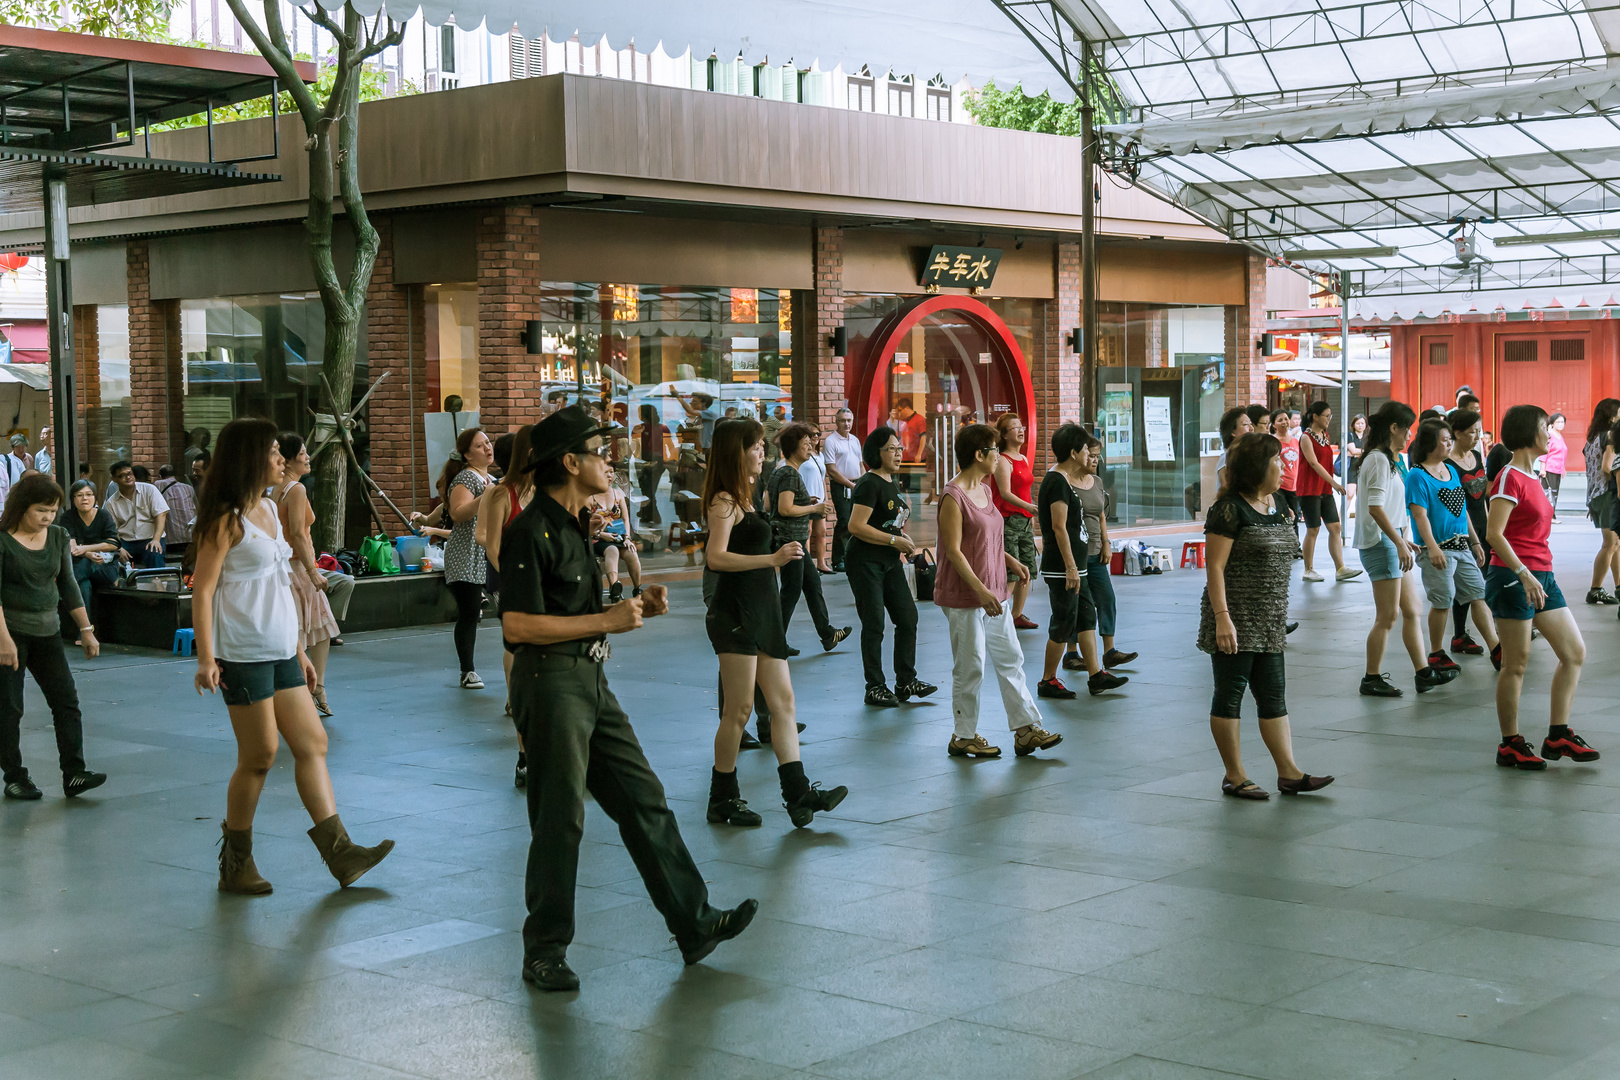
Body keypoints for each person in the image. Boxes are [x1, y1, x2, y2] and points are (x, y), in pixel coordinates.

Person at [500, 408, 757, 991]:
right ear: (569, 462)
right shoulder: (529, 530)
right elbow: (517, 625)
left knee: (645, 799)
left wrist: (636, 603)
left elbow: (586, 614)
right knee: (560, 818)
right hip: (550, 684)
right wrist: (607, 619)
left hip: (590, 681)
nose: (608, 460)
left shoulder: (577, 525)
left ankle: (694, 924)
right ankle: (544, 950)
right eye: (598, 450)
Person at [190, 419, 393, 895]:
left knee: (313, 744)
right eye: (275, 451)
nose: (282, 459)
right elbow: (202, 592)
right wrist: (206, 658)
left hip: (281, 647)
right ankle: (235, 863)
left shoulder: (266, 507)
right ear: (250, 457)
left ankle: (342, 854)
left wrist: (300, 649)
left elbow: (280, 582)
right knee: (260, 755)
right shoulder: (225, 519)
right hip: (241, 653)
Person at [702, 416, 848, 829]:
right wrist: (772, 558)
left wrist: (780, 549)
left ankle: (798, 794)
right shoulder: (724, 501)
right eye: (754, 446)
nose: (761, 451)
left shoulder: (747, 499)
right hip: (736, 612)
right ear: (736, 451)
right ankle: (722, 798)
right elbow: (716, 557)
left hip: (761, 609)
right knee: (739, 710)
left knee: (783, 703)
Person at [1200, 433, 1332, 800]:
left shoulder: (1276, 505)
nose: (1283, 467)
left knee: (1274, 697)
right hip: (1235, 616)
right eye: (1276, 462)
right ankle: (1234, 775)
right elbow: (1214, 568)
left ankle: (1289, 772)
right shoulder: (1229, 509)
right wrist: (1222, 617)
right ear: (1257, 468)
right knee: (1230, 695)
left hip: (1270, 618)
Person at [1486, 404, 1599, 771]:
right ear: (1526, 433)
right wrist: (1522, 572)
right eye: (1543, 427)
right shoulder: (1509, 477)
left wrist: (1535, 573)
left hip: (1542, 575)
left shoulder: (1534, 476)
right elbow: (1493, 534)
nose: (1549, 433)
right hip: (1512, 577)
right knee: (1515, 665)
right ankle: (1510, 745)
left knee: (1574, 652)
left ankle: (1558, 735)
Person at [934, 423, 1057, 758]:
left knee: (1010, 658)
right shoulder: (952, 496)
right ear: (979, 455)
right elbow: (954, 550)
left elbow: (988, 539)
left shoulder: (987, 491)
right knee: (970, 664)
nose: (998, 455)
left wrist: (1011, 561)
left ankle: (1025, 729)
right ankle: (963, 735)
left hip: (995, 591)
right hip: (966, 596)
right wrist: (981, 591)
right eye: (993, 449)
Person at [0, 475, 104, 802]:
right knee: (9, 708)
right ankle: (15, 776)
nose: (47, 517)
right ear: (21, 508)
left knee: (66, 702)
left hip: (48, 631)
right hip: (9, 632)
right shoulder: (3, 541)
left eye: (53, 510)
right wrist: (4, 641)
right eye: (41, 510)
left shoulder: (58, 536)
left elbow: (68, 586)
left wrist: (86, 631)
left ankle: (74, 773)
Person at [1354, 402, 1459, 697]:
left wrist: (1403, 537)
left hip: (1392, 541)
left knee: (1412, 609)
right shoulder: (1377, 460)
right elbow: (1375, 509)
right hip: (1380, 544)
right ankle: (1371, 677)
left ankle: (1423, 673)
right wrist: (1398, 541)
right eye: (1407, 428)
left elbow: (1388, 507)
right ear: (1393, 428)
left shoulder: (1390, 460)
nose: (1410, 434)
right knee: (1387, 616)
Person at [845, 426, 936, 707]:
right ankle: (874, 686)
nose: (898, 454)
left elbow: (887, 521)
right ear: (877, 452)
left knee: (908, 618)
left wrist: (900, 537)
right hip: (865, 561)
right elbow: (856, 526)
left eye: (899, 448)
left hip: (888, 561)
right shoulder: (868, 483)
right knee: (874, 624)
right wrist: (894, 540)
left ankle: (906, 681)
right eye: (892, 449)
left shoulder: (890, 481)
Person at [1036, 425, 1129, 699]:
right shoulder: (1056, 481)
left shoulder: (1067, 479)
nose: (1090, 453)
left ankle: (1096, 675)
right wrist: (1070, 567)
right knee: (1064, 622)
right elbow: (1058, 527)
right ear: (1074, 452)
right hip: (1062, 567)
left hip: (1079, 563)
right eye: (1086, 449)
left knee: (1087, 617)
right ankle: (1047, 680)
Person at [1406, 418, 1499, 675]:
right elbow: (1419, 515)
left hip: (1462, 546)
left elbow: (1463, 511)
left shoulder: (1450, 470)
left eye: (1450, 439)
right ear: (1429, 443)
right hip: (1439, 548)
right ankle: (1436, 653)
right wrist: (1432, 547)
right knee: (1442, 600)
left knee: (1478, 594)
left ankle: (1495, 648)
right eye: (1444, 440)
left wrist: (1475, 540)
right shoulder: (1417, 475)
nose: (1449, 444)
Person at [415, 428, 494, 689]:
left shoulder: (489, 479)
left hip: (486, 552)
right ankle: (467, 671)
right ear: (467, 454)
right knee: (470, 612)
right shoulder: (467, 478)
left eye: (488, 443)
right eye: (481, 445)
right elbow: (458, 512)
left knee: (485, 609)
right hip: (465, 554)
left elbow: (445, 506)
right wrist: (487, 498)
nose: (487, 448)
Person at [271, 434, 340, 718]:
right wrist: (313, 572)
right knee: (315, 627)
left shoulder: (272, 490)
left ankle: (308, 689)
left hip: (282, 566)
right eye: (302, 453)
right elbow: (298, 533)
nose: (307, 457)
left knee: (301, 630)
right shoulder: (295, 489)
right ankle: (315, 686)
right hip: (297, 567)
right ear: (287, 460)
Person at [770, 422, 850, 653]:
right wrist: (813, 509)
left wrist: (806, 502)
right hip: (791, 540)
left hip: (793, 540)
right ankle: (775, 641)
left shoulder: (782, 471)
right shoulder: (790, 474)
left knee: (812, 585)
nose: (810, 448)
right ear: (794, 447)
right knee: (791, 591)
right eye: (806, 444)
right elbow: (784, 509)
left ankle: (827, 634)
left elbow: (772, 505)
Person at [1067, 429, 1137, 671]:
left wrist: (1107, 542)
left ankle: (1110, 650)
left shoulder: (1096, 482)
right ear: (1078, 455)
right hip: (1077, 554)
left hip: (1096, 551)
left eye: (1098, 456)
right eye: (1091, 455)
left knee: (1106, 597)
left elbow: (1101, 515)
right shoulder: (1065, 483)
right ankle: (1071, 651)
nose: (1095, 460)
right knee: (1078, 604)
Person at [1447, 408, 1495, 656]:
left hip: (1481, 523)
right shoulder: (1447, 463)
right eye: (1472, 432)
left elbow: (1482, 498)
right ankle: (1459, 634)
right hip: (1461, 528)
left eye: (1479, 431)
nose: (1477, 436)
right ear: (1456, 433)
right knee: (1465, 582)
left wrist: (1489, 528)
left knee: (1480, 579)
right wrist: (1474, 537)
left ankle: (1462, 635)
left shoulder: (1477, 455)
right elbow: (1459, 505)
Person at [1296, 401, 1361, 583]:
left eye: (1330, 416)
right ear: (1315, 416)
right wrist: (1334, 482)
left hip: (1323, 488)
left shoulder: (1324, 435)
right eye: (1326, 416)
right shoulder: (1306, 437)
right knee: (1313, 529)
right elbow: (1314, 463)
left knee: (1335, 527)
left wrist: (1330, 484)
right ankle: (1308, 569)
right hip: (1309, 488)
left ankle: (1340, 568)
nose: (1329, 419)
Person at [990, 414, 1040, 631]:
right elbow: (1005, 493)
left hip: (1025, 521)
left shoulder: (1024, 459)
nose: (1021, 431)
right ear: (1004, 434)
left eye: (1021, 427)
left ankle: (1017, 614)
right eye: (1014, 428)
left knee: (1027, 567)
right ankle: (1000, 614)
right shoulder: (1002, 460)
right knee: (1011, 570)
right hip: (1009, 520)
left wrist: (1030, 512)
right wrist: (1028, 507)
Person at [63, 480, 120, 637]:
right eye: (79, 495)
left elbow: (114, 544)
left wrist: (85, 548)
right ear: (73, 499)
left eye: (89, 495)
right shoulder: (68, 517)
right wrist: (87, 554)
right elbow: (71, 547)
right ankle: (86, 631)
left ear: (95, 497)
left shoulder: (103, 515)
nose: (84, 499)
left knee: (80, 572)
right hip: (83, 566)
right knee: (84, 585)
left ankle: (66, 583)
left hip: (105, 568)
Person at [1584, 398, 1620, 604]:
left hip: (1595, 495)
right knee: (1610, 543)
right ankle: (1595, 589)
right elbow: (1607, 467)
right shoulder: (1609, 436)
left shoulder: (1592, 438)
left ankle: (1618, 586)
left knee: (1616, 543)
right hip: (1607, 494)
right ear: (1612, 416)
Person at [104, 460, 169, 569]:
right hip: (127, 542)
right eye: (122, 476)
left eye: (129, 474)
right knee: (111, 558)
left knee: (154, 553)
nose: (128, 477)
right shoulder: (111, 502)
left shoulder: (149, 490)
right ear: (114, 479)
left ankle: (158, 584)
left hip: (150, 538)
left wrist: (156, 539)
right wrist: (119, 548)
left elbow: (161, 514)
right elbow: (112, 530)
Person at [823, 408, 863, 572]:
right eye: (842, 420)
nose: (846, 424)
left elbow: (860, 464)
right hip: (841, 486)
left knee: (858, 520)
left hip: (857, 484)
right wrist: (851, 485)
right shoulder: (831, 441)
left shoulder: (854, 440)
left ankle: (854, 556)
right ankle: (838, 559)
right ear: (836, 421)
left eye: (849, 420)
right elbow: (831, 470)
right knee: (844, 521)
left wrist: (864, 481)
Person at [589, 480, 641, 602]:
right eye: (606, 473)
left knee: (631, 551)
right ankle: (614, 587)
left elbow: (625, 519)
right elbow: (584, 524)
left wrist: (627, 538)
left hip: (617, 535)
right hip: (597, 537)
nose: (609, 476)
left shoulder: (618, 494)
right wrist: (601, 534)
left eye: (611, 472)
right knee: (612, 551)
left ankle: (637, 588)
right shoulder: (590, 497)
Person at [631, 403, 674, 526]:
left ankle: (655, 516)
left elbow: (635, 447)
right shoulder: (661, 428)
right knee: (647, 489)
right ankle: (645, 512)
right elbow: (670, 446)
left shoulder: (642, 428)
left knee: (648, 490)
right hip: (651, 461)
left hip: (649, 461)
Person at [799, 426, 834, 573]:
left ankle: (821, 562)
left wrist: (826, 497)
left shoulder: (819, 455)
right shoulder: (801, 456)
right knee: (808, 530)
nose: (815, 436)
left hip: (819, 497)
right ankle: (809, 566)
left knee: (821, 531)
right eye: (811, 434)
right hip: (807, 497)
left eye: (817, 434)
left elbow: (823, 478)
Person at [155, 463, 197, 552]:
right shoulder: (189, 488)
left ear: (159, 476)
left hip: (171, 540)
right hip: (190, 537)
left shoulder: (158, 484)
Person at [1272, 409, 1301, 533]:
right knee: (1282, 518)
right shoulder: (1273, 442)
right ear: (1273, 425)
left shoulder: (1296, 441)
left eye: (1286, 419)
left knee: (1295, 519)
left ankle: (1295, 547)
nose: (1284, 422)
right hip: (1279, 486)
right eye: (1280, 420)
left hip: (1294, 486)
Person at [1214, 407, 1254, 489]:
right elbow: (1226, 489)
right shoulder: (1226, 458)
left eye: (1251, 424)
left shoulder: (1248, 455)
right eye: (1245, 424)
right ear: (1232, 431)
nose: (1251, 428)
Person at [1541, 412, 1568, 522]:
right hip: (1549, 468)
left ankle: (1551, 515)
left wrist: (1563, 468)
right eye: (1558, 422)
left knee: (1554, 493)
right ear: (1552, 423)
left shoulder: (1559, 435)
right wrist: (1543, 467)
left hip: (1557, 469)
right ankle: (1550, 516)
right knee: (1550, 493)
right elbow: (1544, 451)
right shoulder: (1550, 435)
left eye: (1563, 422)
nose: (1561, 424)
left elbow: (1561, 453)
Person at [1345, 413, 1367, 512]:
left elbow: (1369, 451)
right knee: (1349, 494)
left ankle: (1360, 521)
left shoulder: (1368, 437)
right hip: (1353, 468)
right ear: (1353, 424)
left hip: (1364, 467)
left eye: (1362, 423)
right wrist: (1362, 451)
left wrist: (1356, 453)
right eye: (1358, 423)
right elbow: (1353, 451)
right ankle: (1341, 520)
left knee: (1361, 497)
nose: (1360, 425)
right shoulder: (1350, 435)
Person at [894, 397, 928, 463]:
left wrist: (919, 454)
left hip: (915, 458)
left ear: (907, 408)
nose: (900, 413)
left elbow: (923, 437)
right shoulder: (903, 422)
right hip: (904, 458)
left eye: (900, 410)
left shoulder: (919, 419)